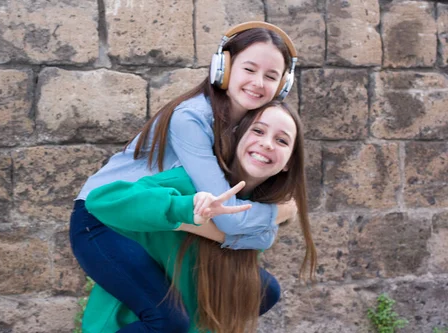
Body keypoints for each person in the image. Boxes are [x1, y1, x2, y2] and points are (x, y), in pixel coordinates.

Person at [69, 21, 299, 332]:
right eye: (249, 69)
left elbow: (238, 226)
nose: (259, 83)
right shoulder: (191, 118)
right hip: (103, 219)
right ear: (224, 67)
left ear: (283, 85)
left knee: (262, 292)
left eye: (271, 76)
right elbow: (228, 216)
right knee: (168, 321)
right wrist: (276, 213)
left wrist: (254, 231)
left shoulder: (249, 127)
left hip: (160, 219)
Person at [83, 101, 318, 333]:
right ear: (237, 137)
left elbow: (207, 294)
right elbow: (100, 201)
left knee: (263, 288)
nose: (267, 144)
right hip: (130, 325)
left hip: (187, 324)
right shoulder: (188, 184)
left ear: (289, 163)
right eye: (258, 130)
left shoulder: (259, 215)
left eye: (282, 140)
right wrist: (183, 208)